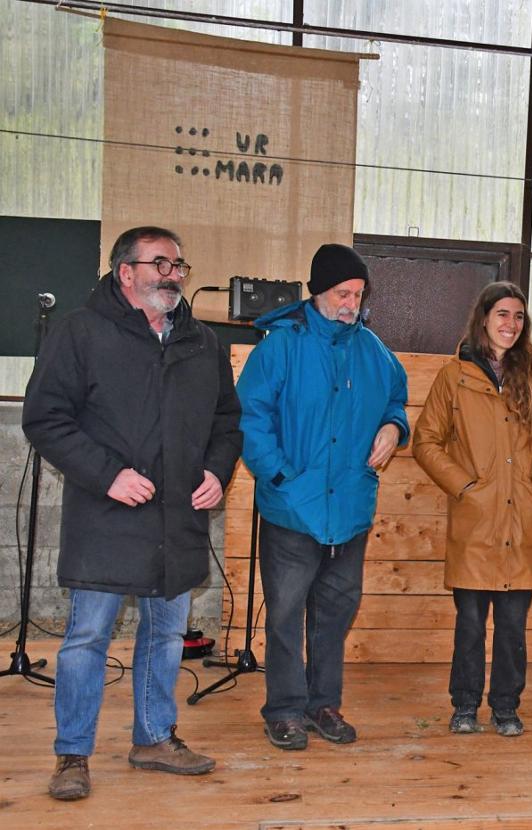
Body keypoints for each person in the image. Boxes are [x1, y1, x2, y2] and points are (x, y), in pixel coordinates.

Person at [23, 226, 242, 800]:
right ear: (126, 272)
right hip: (107, 518)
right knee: (87, 638)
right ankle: (73, 754)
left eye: (178, 266)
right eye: (160, 264)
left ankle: (153, 738)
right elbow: (44, 418)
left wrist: (218, 473)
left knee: (166, 636)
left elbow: (226, 422)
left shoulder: (203, 342)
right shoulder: (80, 331)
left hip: (177, 521)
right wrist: (107, 475)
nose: (173, 275)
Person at [236, 243, 409, 750]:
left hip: (350, 509)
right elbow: (250, 418)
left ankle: (323, 705)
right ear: (316, 292)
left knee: (335, 612)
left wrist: (394, 428)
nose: (351, 303)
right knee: (286, 613)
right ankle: (285, 709)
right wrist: (280, 476)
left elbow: (396, 400)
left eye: (358, 294)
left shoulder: (375, 352)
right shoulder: (281, 347)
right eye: (342, 293)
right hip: (293, 507)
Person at [414, 281, 532, 738]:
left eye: (519, 317)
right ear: (483, 318)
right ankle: (464, 705)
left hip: (522, 520)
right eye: (503, 314)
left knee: (512, 627)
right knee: (469, 625)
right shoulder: (454, 377)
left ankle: (506, 706)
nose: (511, 324)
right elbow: (426, 441)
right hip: (476, 521)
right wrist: (465, 487)